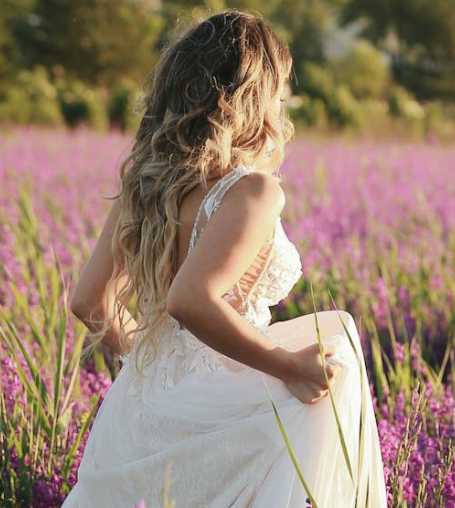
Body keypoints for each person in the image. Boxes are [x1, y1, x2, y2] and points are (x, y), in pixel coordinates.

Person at [61, 10, 389, 508]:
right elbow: (190, 299)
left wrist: (153, 363)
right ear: (255, 96)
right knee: (335, 348)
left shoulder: (146, 184)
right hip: (226, 403)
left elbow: (88, 300)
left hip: (142, 406)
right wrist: (287, 368)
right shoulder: (252, 190)